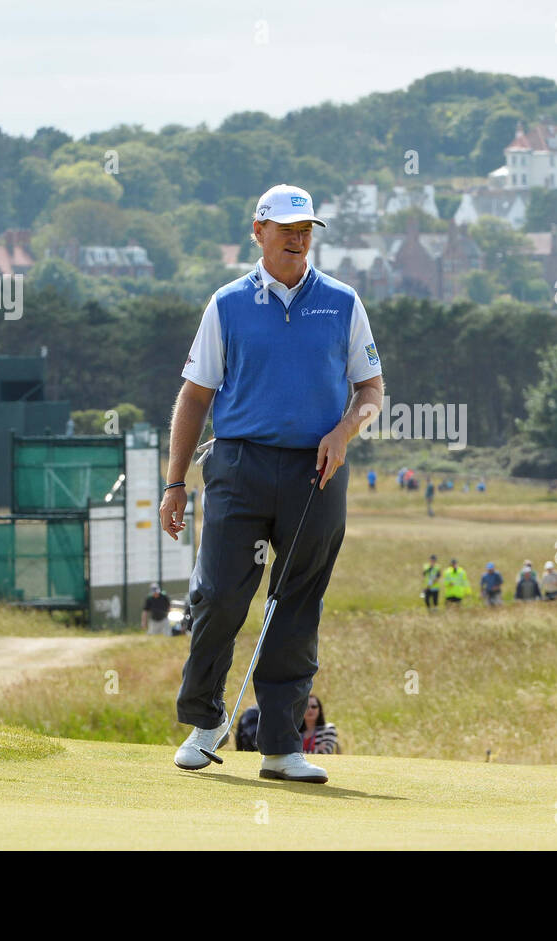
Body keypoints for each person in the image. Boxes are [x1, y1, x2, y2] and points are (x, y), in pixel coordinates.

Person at [161, 183, 384, 785]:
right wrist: (174, 482)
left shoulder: (342, 302)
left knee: (295, 606)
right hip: (239, 466)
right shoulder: (228, 304)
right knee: (220, 595)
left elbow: (371, 392)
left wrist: (344, 432)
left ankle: (282, 748)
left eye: (305, 227)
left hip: (318, 472)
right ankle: (205, 724)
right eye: (285, 227)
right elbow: (195, 394)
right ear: (257, 231)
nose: (297, 236)